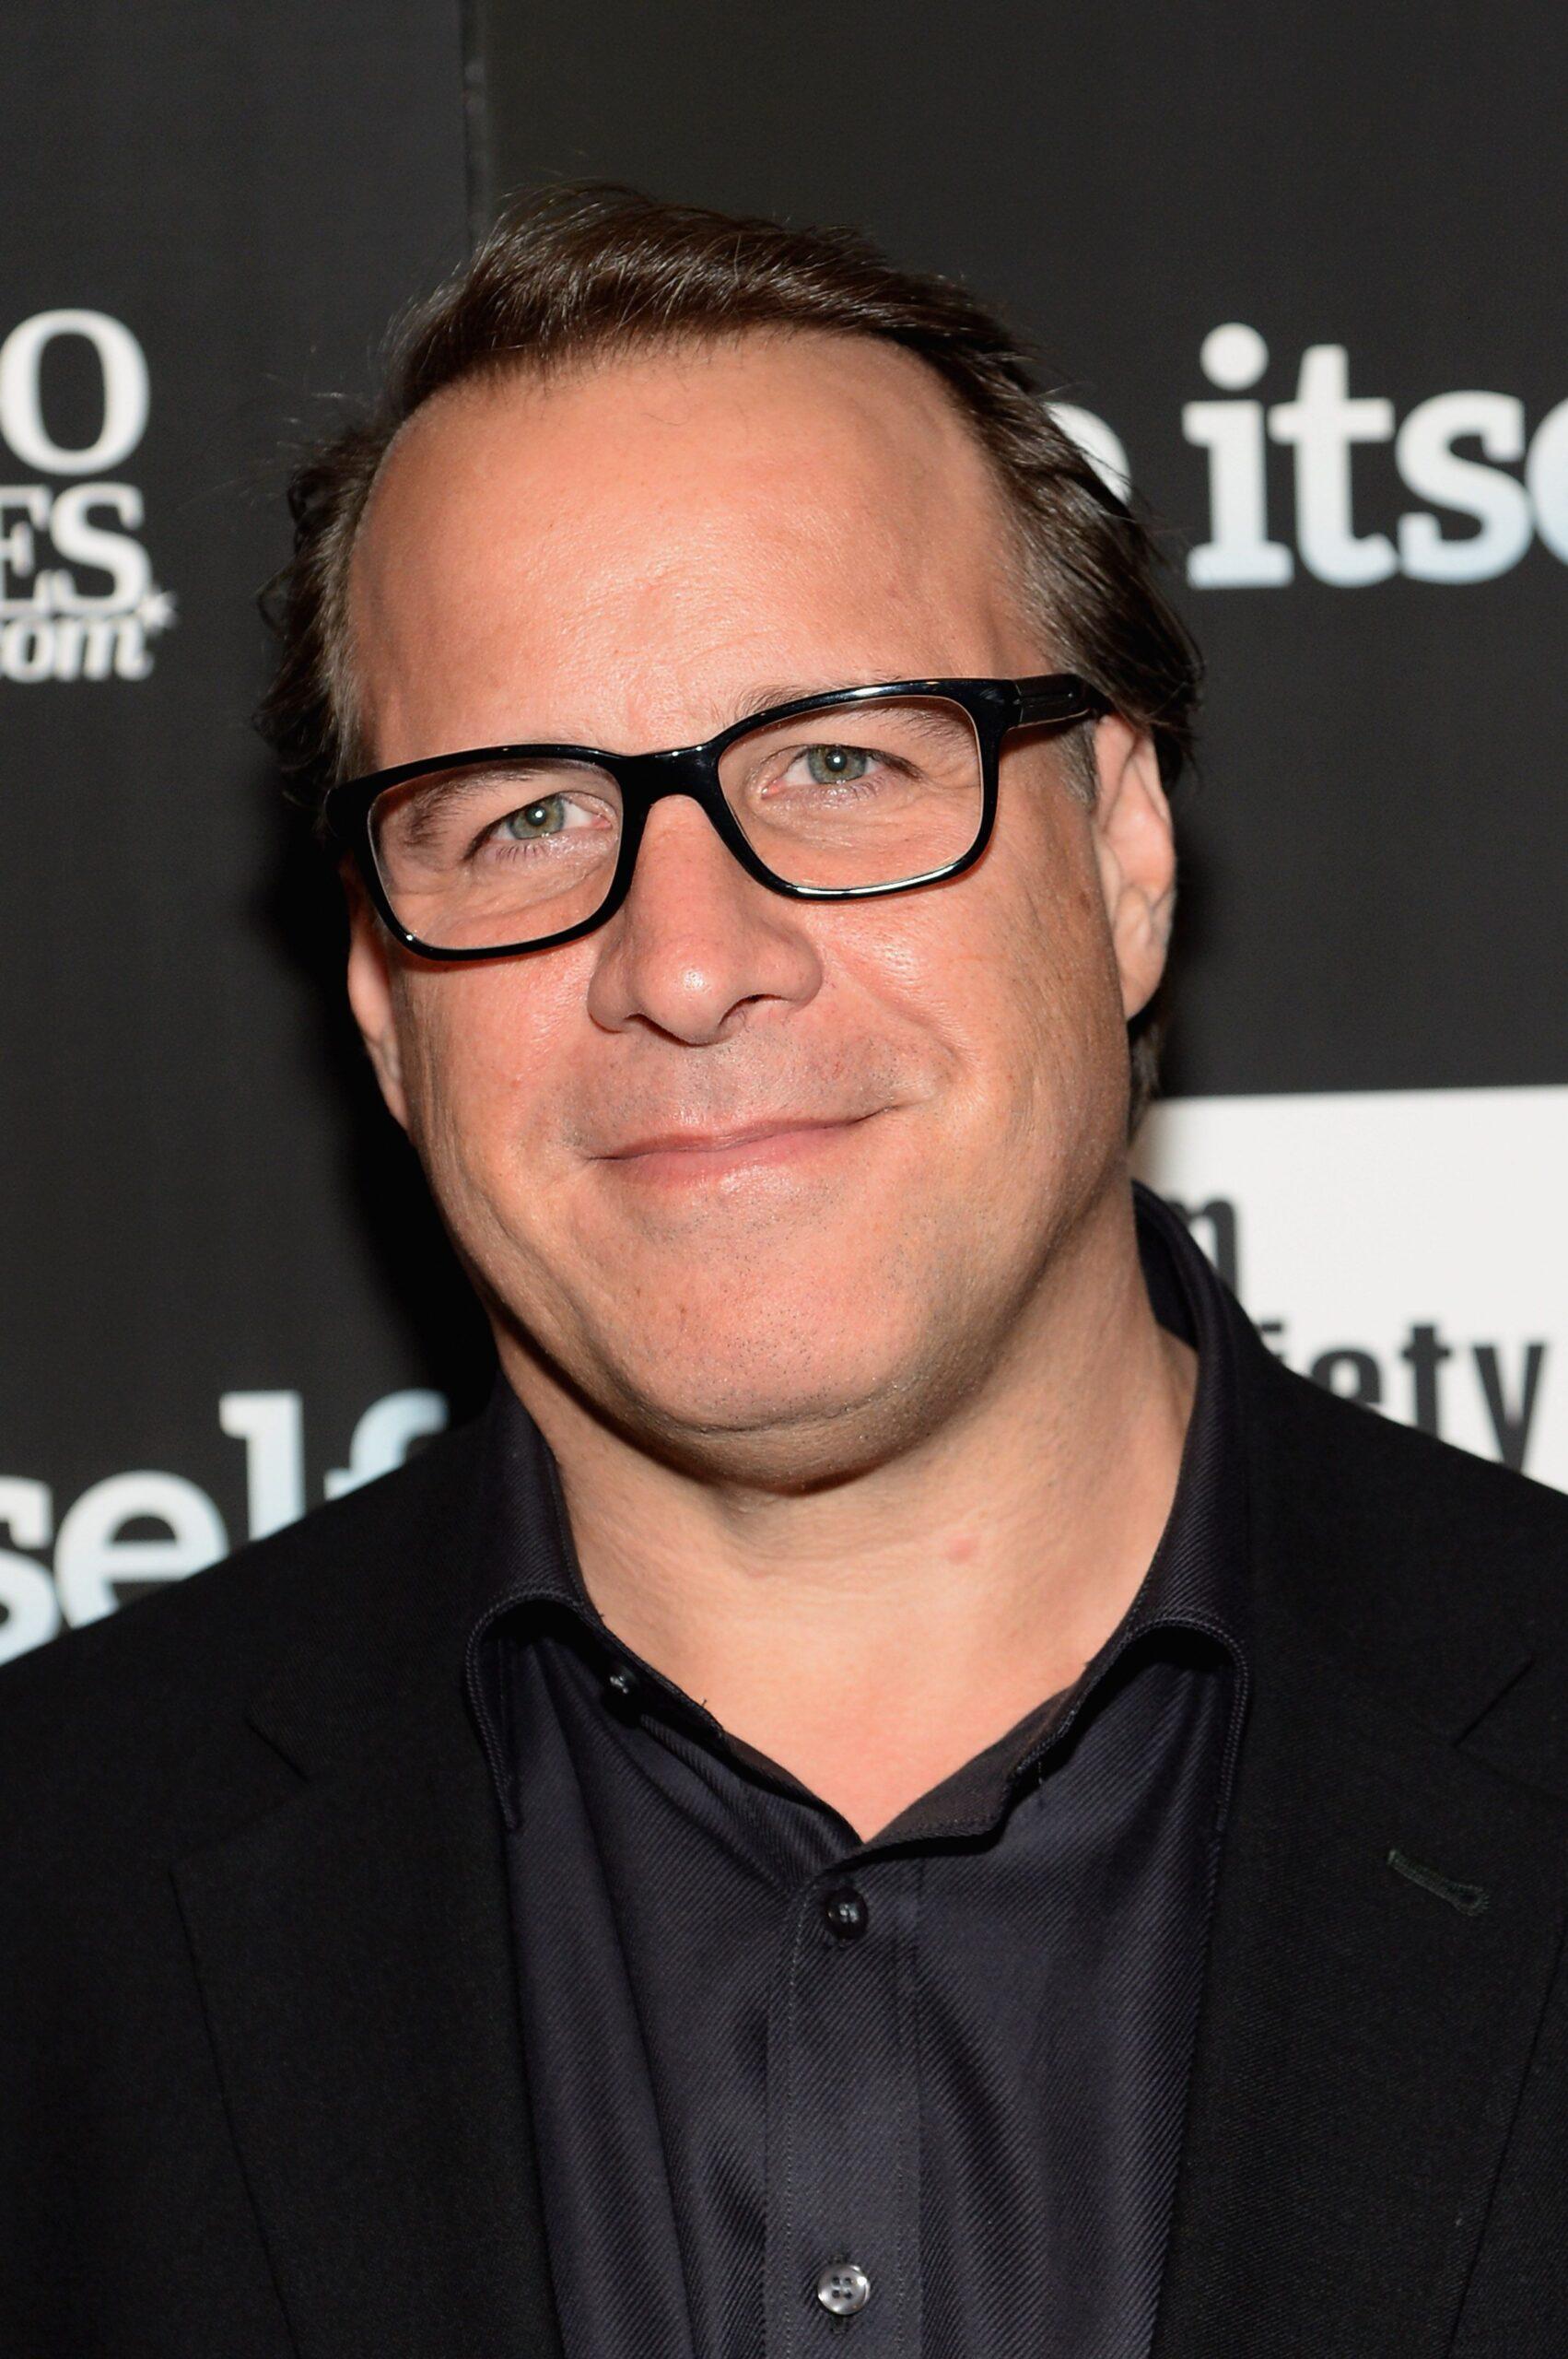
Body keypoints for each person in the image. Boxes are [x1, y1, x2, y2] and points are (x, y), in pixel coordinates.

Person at [4, 185, 1566, 2359]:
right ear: (378, 991)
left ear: (1121, 852)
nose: (685, 959)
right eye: (520, 813)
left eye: (836, 760)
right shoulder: (52, 1894)